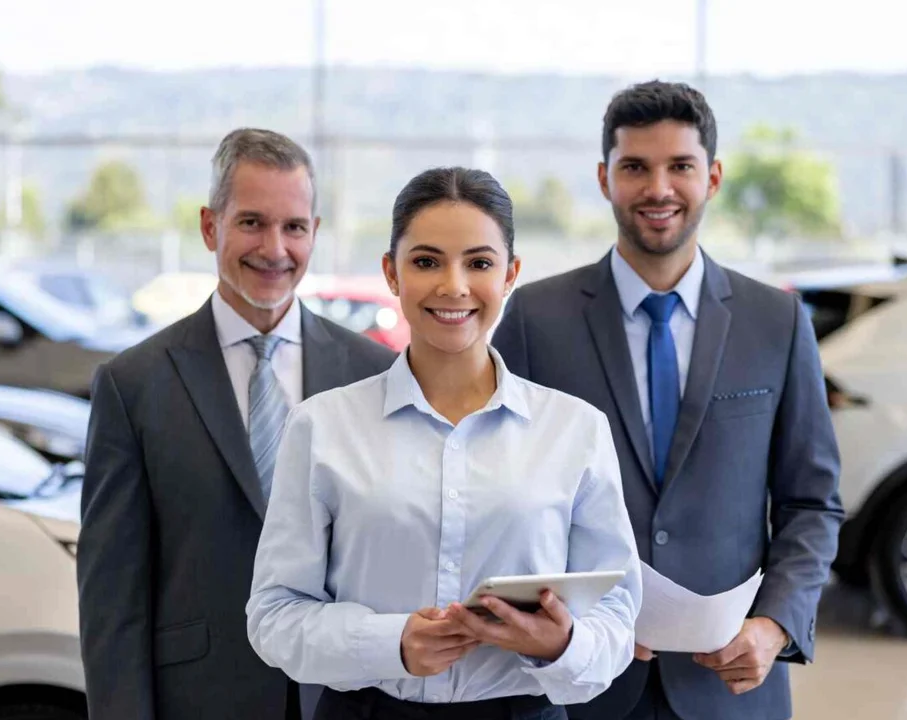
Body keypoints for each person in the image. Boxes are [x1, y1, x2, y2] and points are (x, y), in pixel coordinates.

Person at [491, 81, 845, 720]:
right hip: (581, 680)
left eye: (680, 166)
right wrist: (561, 619)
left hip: (731, 686)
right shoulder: (535, 320)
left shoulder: (777, 321)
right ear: (605, 178)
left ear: (712, 177)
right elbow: (499, 496)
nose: (658, 188)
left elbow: (811, 502)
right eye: (635, 167)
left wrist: (775, 625)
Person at [246, 167, 642, 720]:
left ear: (510, 274)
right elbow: (274, 614)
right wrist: (391, 643)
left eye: (479, 263)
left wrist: (562, 644)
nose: (453, 286)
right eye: (427, 262)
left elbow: (617, 613)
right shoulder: (322, 426)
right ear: (392, 272)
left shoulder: (576, 429)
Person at [77, 128, 397, 720]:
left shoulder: (374, 373)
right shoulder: (133, 385)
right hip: (201, 700)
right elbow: (112, 600)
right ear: (210, 227)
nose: (275, 248)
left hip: (347, 700)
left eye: (293, 227)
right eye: (252, 222)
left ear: (314, 233)